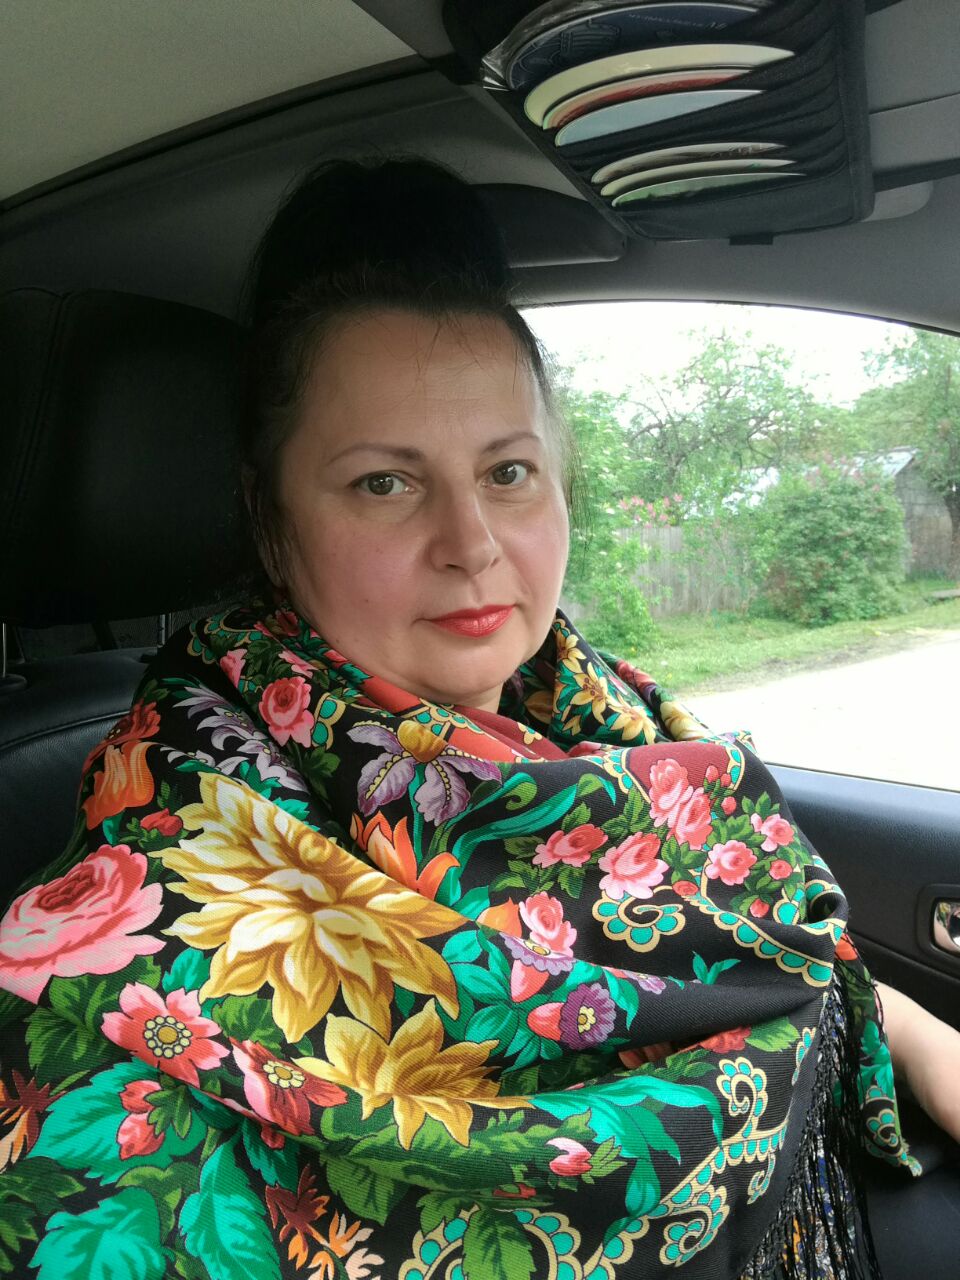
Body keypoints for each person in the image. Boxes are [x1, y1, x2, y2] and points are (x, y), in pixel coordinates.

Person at [0, 156, 957, 1280]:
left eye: (507, 471)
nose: (472, 543)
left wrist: (907, 1025)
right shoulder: (154, 884)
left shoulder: (600, 706)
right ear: (268, 519)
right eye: (385, 483)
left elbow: (766, 953)